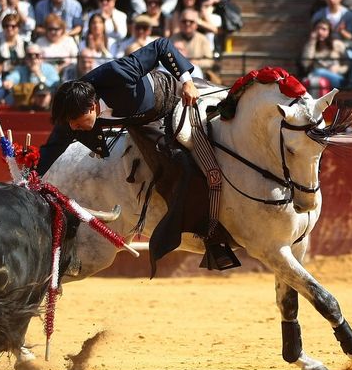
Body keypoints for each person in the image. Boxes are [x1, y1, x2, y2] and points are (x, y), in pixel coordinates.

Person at [38, 37, 235, 270]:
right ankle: (205, 232)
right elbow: (52, 149)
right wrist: (31, 175)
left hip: (172, 97)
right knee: (177, 166)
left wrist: (187, 81)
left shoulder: (116, 74)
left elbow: (161, 46)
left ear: (92, 107)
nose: (72, 128)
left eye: (75, 122)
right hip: (144, 125)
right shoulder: (74, 106)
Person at [301, 19, 349, 91]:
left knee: (317, 72)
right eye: (317, 29)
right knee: (316, 81)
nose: (320, 32)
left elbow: (348, 64)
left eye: (324, 29)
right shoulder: (310, 45)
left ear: (329, 31)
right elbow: (305, 63)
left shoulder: (337, 44)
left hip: (336, 78)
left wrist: (338, 69)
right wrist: (312, 42)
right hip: (318, 80)